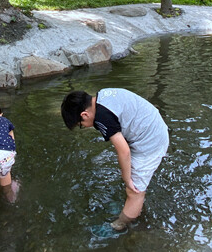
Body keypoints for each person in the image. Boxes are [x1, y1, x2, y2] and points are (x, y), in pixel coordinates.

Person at [61, 88, 169, 232]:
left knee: (134, 191)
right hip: (153, 126)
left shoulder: (102, 118)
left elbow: (123, 151)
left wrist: (126, 178)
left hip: (151, 142)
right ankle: (130, 208)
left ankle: (120, 225)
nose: (85, 127)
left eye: (81, 125)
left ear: (84, 115)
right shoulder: (103, 96)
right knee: (130, 179)